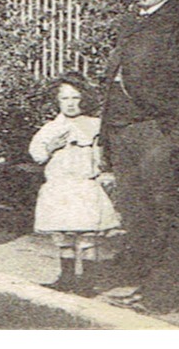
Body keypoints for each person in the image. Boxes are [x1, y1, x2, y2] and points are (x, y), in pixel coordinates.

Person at [100, 0, 179, 313]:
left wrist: (172, 129)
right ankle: (143, 286)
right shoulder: (132, 22)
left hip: (155, 131)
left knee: (165, 211)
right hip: (122, 130)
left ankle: (165, 295)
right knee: (136, 213)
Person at [29, 72, 120, 295]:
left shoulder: (96, 126)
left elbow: (106, 153)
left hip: (83, 186)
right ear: (57, 101)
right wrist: (50, 147)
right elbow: (36, 153)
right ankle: (66, 277)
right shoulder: (50, 128)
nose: (70, 104)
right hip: (59, 187)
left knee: (87, 236)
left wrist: (103, 169)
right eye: (65, 99)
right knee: (63, 235)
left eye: (75, 98)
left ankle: (87, 281)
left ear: (84, 99)